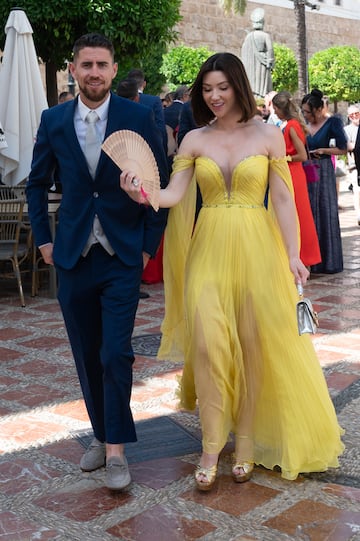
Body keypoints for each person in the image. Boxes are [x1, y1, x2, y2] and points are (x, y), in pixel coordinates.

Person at [120, 52, 344, 491]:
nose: (214, 96)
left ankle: (243, 443)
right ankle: (210, 445)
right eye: (207, 89)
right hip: (208, 248)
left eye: (222, 87)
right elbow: (172, 195)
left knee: (253, 346)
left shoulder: (268, 136)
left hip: (260, 249)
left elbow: (281, 200)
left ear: (238, 86)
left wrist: (294, 254)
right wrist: (142, 192)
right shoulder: (193, 140)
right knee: (207, 344)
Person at [26, 33, 168, 491]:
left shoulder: (138, 115)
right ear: (73, 68)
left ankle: (116, 451)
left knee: (115, 352)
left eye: (101, 64)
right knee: (87, 354)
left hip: (121, 255)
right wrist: (45, 242)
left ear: (112, 69)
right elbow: (36, 184)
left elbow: (158, 184)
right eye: (85, 64)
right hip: (71, 255)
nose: (93, 72)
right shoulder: (53, 119)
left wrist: (147, 246)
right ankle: (102, 432)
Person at [272, 91, 321, 267]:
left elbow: (302, 155)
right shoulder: (291, 124)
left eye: (275, 108)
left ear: (279, 108)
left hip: (294, 173)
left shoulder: (292, 126)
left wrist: (285, 159)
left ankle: (304, 257)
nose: (274, 112)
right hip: (290, 173)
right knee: (296, 214)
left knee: (299, 215)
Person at [301, 89, 347, 274]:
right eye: (303, 112)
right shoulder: (304, 125)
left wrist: (324, 150)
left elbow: (343, 149)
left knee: (325, 209)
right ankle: (312, 260)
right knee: (309, 211)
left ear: (319, 109)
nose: (306, 115)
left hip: (324, 169)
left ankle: (328, 261)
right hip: (307, 169)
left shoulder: (332, 122)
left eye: (308, 112)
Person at [127, 68, 167, 152]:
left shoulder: (120, 100)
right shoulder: (154, 101)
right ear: (144, 84)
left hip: (125, 150)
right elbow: (160, 129)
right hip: (149, 150)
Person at [241, 8, 274, 99]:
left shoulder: (249, 36)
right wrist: (270, 61)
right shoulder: (265, 36)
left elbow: (244, 51)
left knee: (254, 82)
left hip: (252, 64)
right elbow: (270, 49)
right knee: (263, 84)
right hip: (263, 61)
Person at [344, 104, 360, 225]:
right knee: (357, 191)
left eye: (357, 114)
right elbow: (348, 146)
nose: (354, 116)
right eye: (351, 115)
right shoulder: (347, 130)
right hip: (354, 165)